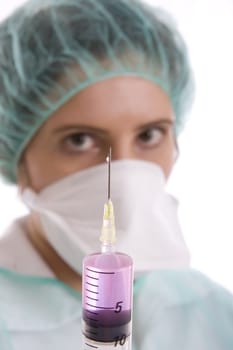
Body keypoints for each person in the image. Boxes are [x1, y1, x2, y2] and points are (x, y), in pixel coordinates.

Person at [0, 0, 232, 349]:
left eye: (149, 135)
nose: (122, 176)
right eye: (79, 140)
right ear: (16, 153)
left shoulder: (213, 313)